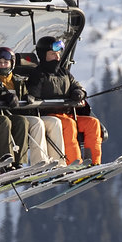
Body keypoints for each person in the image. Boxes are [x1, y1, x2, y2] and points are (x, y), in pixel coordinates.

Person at [27, 35, 105, 166]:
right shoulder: (38, 74)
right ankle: (74, 164)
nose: (57, 57)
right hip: (50, 115)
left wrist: (78, 93)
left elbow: (78, 87)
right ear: (43, 55)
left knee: (93, 123)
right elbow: (32, 95)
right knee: (69, 125)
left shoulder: (64, 73)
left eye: (58, 53)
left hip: (68, 113)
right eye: (53, 54)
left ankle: (93, 163)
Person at [0, 45, 32, 167]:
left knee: (22, 121)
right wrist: (3, 97)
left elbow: (25, 94)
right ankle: (5, 161)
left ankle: (19, 161)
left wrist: (28, 97)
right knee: (4, 122)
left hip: (12, 114)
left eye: (5, 63)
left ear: (12, 64)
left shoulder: (18, 81)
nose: (2, 66)